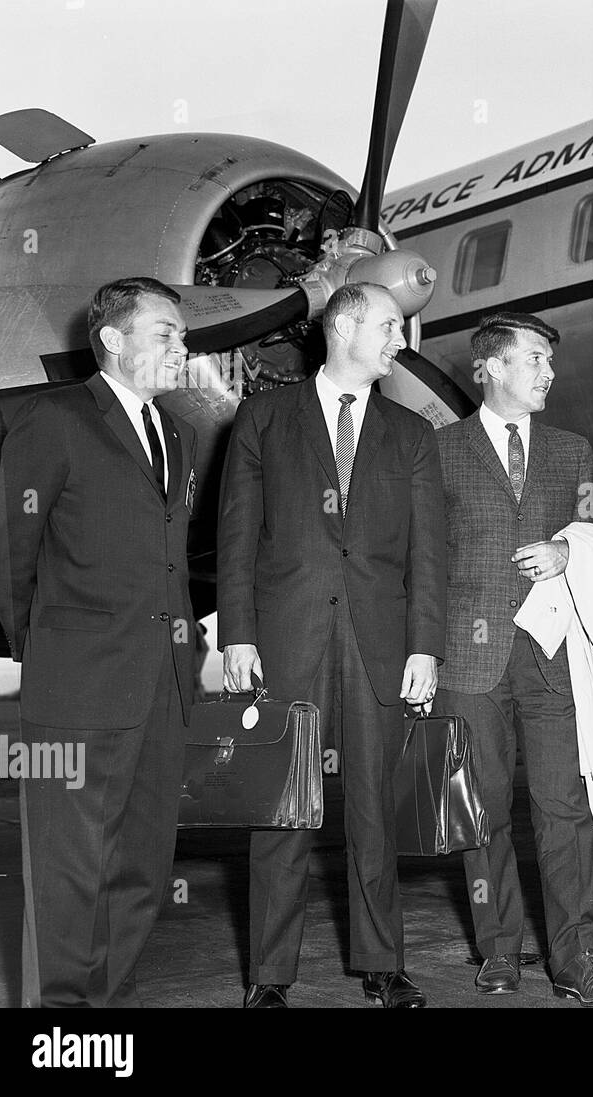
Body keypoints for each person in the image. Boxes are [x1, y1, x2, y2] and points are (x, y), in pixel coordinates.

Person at [217, 282, 446, 1008]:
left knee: (375, 808)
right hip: (287, 641)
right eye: (388, 327)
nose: (399, 342)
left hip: (380, 644)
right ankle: (269, 976)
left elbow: (429, 556)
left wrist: (425, 647)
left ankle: (383, 964)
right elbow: (234, 540)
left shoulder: (411, 434)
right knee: (281, 810)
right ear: (344, 327)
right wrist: (239, 635)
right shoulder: (262, 419)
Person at [0, 277, 195, 1007]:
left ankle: (105, 1011)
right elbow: (6, 543)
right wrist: (38, 644)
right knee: (68, 871)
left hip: (163, 686)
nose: (182, 346)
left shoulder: (178, 435)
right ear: (113, 338)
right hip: (76, 684)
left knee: (139, 865)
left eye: (183, 334)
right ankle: (61, 1030)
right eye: (166, 333)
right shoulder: (55, 417)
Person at [431, 311, 593, 1006]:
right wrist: (422, 656)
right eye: (536, 358)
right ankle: (499, 948)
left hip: (550, 654)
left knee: (563, 808)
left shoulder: (573, 449)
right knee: (480, 811)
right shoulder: (439, 448)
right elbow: (421, 561)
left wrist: (570, 551)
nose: (549, 372)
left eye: (549, 360)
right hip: (466, 659)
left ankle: (577, 954)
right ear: (490, 367)